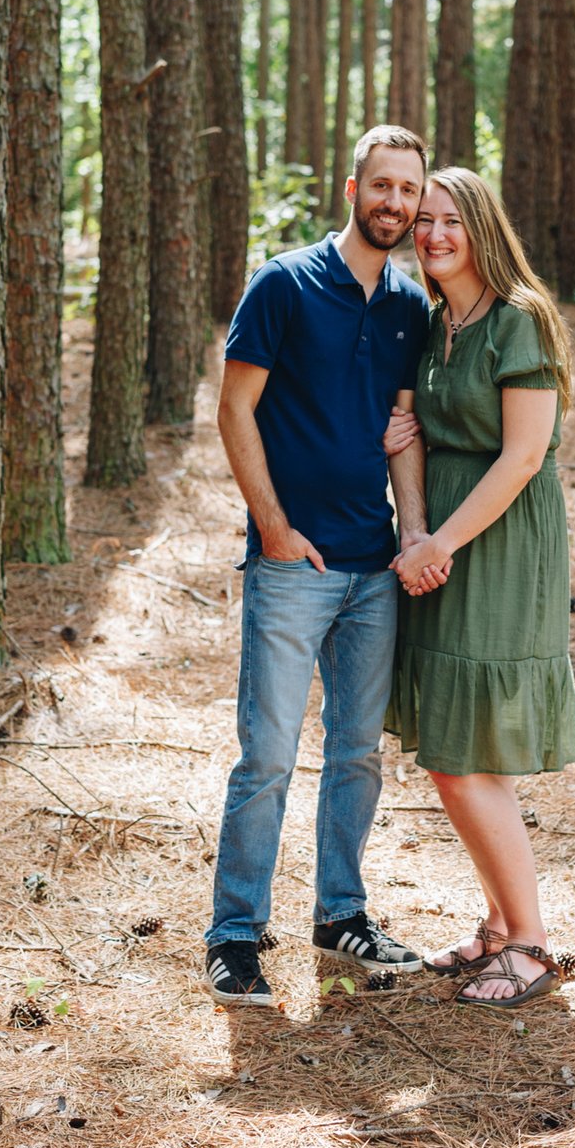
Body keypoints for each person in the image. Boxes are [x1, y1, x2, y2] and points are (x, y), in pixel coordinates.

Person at [202, 126, 437, 1007]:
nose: (394, 203)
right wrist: (272, 527)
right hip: (294, 563)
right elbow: (235, 408)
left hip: (373, 568)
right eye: (381, 185)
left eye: (407, 191)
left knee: (356, 753)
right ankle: (233, 934)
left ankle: (341, 913)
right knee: (266, 753)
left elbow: (402, 430)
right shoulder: (284, 283)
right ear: (353, 188)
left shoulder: (410, 306)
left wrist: (411, 532)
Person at [386, 166, 575, 1008]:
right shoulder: (433, 324)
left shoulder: (519, 321)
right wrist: (415, 530)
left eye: (450, 221)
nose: (432, 234)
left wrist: (441, 541)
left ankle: (533, 942)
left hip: (500, 541)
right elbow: (411, 434)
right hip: (443, 540)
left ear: (483, 229)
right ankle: (500, 925)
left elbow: (524, 455)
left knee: (470, 759)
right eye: (422, 221)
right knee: (450, 755)